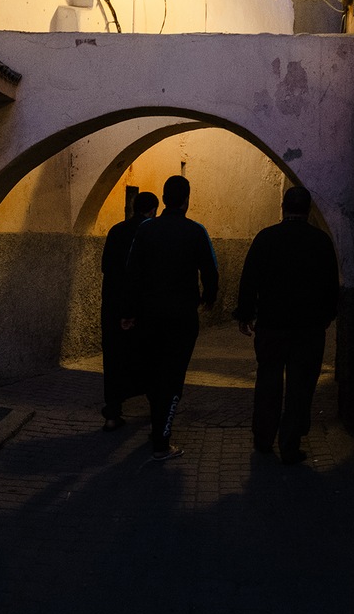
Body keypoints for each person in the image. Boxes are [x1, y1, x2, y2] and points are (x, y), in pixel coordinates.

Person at [233, 186, 339, 465]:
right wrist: (327, 316)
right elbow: (331, 285)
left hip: (272, 325)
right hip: (308, 328)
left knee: (268, 381)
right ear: (308, 210)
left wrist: (245, 314)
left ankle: (263, 438)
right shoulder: (320, 242)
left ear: (283, 207)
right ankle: (290, 444)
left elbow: (250, 278)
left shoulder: (266, 238)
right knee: (300, 386)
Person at [122, 175, 218, 461]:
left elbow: (132, 272)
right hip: (182, 316)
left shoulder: (146, 229)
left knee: (153, 371)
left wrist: (128, 311)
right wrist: (208, 297)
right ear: (186, 200)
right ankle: (162, 440)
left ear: (163, 199)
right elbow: (210, 270)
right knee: (174, 374)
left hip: (150, 314)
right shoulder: (196, 231)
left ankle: (157, 426)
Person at [99, 190, 159, 431]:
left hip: (114, 305)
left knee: (114, 358)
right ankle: (156, 410)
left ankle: (112, 414)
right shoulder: (153, 233)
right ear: (153, 210)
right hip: (143, 309)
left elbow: (106, 267)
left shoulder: (116, 230)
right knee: (149, 357)